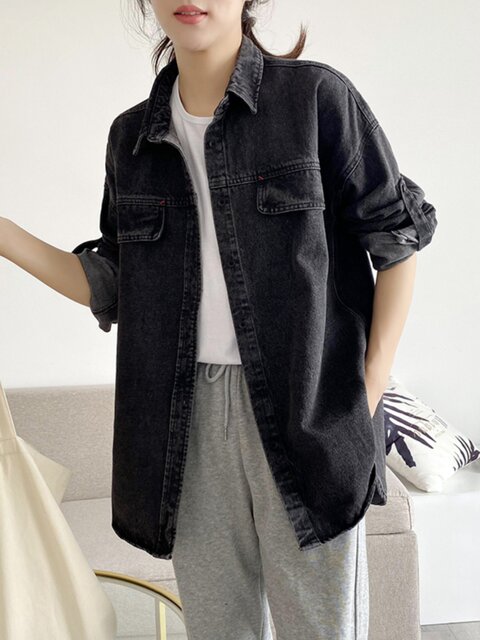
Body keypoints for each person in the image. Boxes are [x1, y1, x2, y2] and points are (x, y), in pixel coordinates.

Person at [0, 1, 438, 638]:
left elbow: (397, 241)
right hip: (185, 420)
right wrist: (5, 235)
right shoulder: (132, 139)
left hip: (307, 408)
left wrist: (362, 394)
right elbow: (117, 284)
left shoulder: (317, 100)